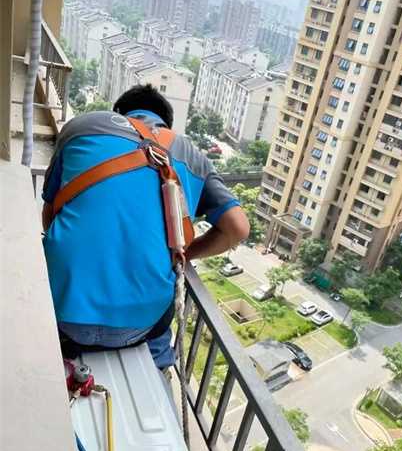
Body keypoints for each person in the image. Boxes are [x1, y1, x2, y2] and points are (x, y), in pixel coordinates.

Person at [42, 84, 249, 367]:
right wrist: (183, 254)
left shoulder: (82, 127)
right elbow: (238, 228)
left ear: (120, 113)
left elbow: (49, 214)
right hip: (140, 325)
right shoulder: (193, 156)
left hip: (60, 307)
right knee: (160, 341)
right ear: (166, 124)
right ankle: (160, 368)